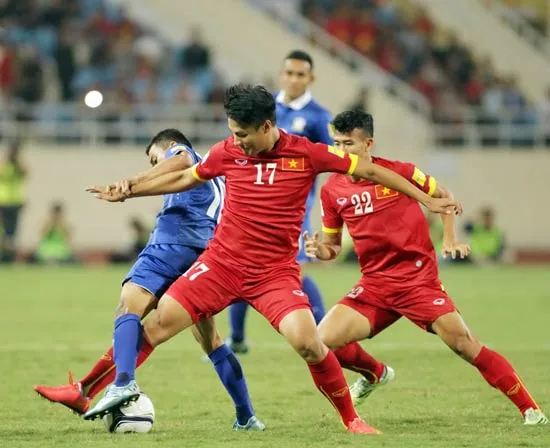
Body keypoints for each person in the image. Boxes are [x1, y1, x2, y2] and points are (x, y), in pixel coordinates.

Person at [84, 85, 459, 433]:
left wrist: (425, 198)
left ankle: (352, 420)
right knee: (157, 324)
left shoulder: (308, 153)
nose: (237, 141)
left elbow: (371, 169)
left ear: (266, 126)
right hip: (221, 265)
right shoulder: (226, 151)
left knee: (309, 344)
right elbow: (186, 178)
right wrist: (130, 190)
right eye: (233, 132)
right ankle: (111, 387)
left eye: (243, 134)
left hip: (274, 274)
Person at [304, 109, 547, 426]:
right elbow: (333, 246)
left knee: (465, 345)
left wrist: (449, 238)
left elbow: (443, 195)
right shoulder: (332, 190)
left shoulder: (400, 172)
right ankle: (375, 374)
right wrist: (320, 250)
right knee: (320, 342)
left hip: (418, 281)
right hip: (375, 285)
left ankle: (531, 411)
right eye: (336, 143)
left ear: (368, 144)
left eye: (348, 143)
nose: (340, 151)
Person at [34, 129, 264, 431]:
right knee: (210, 340)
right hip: (206, 256)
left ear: (168, 146)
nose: (158, 167)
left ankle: (118, 383)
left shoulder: (184, 153)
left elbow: (180, 158)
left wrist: (133, 181)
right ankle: (246, 417)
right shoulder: (216, 177)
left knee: (128, 306)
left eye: (156, 159)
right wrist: (132, 190)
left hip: (171, 246)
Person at [228, 50, 332, 352]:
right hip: (252, 204)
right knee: (241, 267)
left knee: (294, 272)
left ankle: (329, 336)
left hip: (293, 209)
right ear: (281, 75)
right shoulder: (264, 108)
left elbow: (332, 158)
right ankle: (237, 339)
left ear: (311, 78)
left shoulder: (319, 117)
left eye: (300, 75)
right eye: (289, 73)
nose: (294, 79)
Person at [0, 141, 27, 262]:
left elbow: (25, 173)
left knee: (12, 232)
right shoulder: (4, 166)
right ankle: (4, 254)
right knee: (4, 230)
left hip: (15, 202)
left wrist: (18, 163)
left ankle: (9, 256)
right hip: (3, 202)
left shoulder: (18, 167)